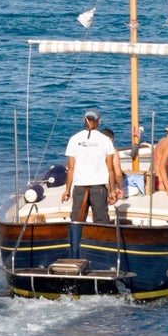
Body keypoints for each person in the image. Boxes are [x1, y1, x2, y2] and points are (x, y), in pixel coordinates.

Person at [63, 108, 118, 256]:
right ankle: (101, 252)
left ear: (84, 120)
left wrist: (67, 190)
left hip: (79, 186)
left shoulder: (74, 139)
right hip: (98, 187)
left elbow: (71, 168)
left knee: (77, 220)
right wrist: (112, 191)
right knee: (101, 221)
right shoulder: (105, 140)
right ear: (99, 121)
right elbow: (110, 169)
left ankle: (75, 251)